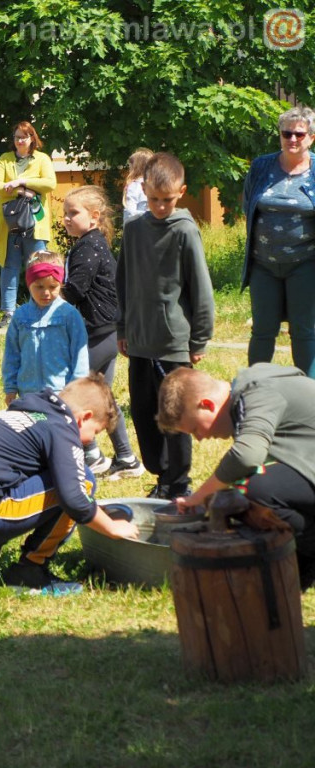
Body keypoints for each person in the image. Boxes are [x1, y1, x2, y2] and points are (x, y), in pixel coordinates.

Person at [0, 374, 140, 593]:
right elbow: (75, 498)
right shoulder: (62, 426)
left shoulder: (30, 413)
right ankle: (30, 571)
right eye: (95, 432)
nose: (90, 440)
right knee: (83, 480)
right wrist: (111, 527)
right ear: (84, 418)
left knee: (33, 474)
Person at [157, 364, 315, 588]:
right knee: (244, 494)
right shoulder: (245, 399)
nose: (199, 438)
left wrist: (199, 496)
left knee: (251, 491)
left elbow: (246, 457)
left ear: (207, 405)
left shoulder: (259, 393)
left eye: (195, 429)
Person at [117, 152, 215, 500]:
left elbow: (200, 287)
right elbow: (123, 281)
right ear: (143, 189)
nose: (160, 206)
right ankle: (162, 478)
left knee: (175, 416)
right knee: (144, 414)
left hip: (174, 343)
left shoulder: (185, 230)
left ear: (181, 192)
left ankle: (179, 482)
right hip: (140, 340)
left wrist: (199, 339)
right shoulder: (133, 229)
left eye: (167, 200)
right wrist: (123, 328)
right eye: (154, 199)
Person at [61, 185, 144, 479]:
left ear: (94, 216)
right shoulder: (93, 243)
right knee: (103, 398)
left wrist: (49, 297)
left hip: (98, 332)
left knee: (71, 391)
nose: (67, 219)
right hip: (108, 331)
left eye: (73, 213)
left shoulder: (88, 246)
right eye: (65, 213)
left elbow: (76, 288)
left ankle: (91, 454)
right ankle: (127, 458)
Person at [242, 106, 315, 377]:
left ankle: (309, 392)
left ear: (311, 138)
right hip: (263, 264)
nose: (292, 139)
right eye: (287, 133)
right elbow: (248, 205)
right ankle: (254, 386)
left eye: (299, 134)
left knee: (304, 331)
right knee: (262, 330)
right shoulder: (261, 166)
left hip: (305, 264)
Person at [0, 121, 57, 328]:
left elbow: (50, 183)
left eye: (23, 137)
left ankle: (39, 309)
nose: (19, 141)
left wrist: (20, 182)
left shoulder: (42, 159)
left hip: (35, 223)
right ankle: (8, 313)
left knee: (38, 267)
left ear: (32, 139)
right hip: (10, 223)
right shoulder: (5, 158)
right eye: (17, 137)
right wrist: (20, 192)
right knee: (9, 267)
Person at [2, 251, 88, 404]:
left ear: (60, 284)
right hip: (28, 392)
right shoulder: (21, 316)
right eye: (39, 287)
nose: (46, 293)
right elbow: (12, 353)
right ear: (29, 284)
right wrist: (10, 387)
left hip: (61, 393)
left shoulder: (69, 315)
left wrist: (76, 389)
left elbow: (80, 355)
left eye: (52, 287)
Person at [122, 148, 153, 225]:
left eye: (130, 166)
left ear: (136, 167)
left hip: (138, 228)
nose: (129, 169)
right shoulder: (155, 185)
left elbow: (130, 212)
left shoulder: (135, 185)